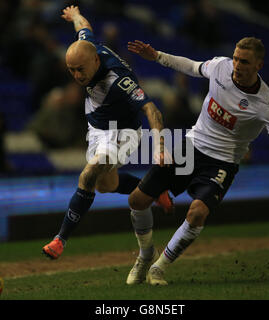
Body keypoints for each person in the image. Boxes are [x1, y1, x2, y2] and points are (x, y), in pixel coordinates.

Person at [125, 37, 269, 285]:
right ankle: (145, 255)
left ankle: (159, 268)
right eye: (236, 58)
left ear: (259, 65)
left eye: (244, 61)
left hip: (222, 162)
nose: (237, 64)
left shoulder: (266, 104)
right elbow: (191, 67)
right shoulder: (221, 67)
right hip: (192, 147)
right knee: (137, 200)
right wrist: (157, 56)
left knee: (197, 213)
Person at [42, 5, 173, 260]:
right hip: (99, 126)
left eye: (81, 69)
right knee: (106, 184)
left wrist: (160, 146)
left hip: (122, 131)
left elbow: (151, 109)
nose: (77, 76)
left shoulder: (118, 80)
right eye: (72, 70)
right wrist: (75, 15)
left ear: (96, 61)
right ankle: (154, 189)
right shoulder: (87, 49)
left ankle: (60, 240)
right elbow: (84, 28)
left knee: (89, 173)